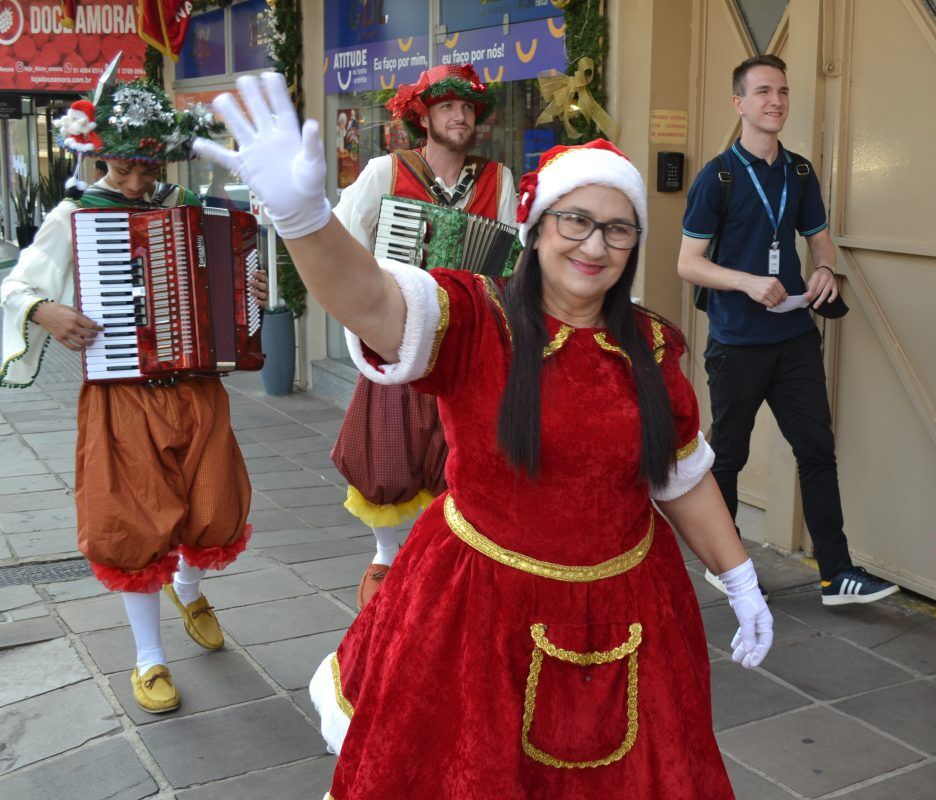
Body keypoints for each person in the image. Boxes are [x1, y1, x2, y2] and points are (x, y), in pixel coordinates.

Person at [194, 71, 774, 800]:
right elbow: (369, 298)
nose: (595, 244)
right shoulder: (476, 319)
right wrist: (305, 219)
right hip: (475, 614)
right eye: (576, 221)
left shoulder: (652, 346)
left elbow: (682, 480)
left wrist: (740, 578)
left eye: (618, 228)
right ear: (536, 228)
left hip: (633, 613)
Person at [0, 79, 267, 714]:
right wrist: (47, 311)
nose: (137, 181)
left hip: (198, 389)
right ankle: (149, 659)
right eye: (124, 165)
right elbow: (15, 287)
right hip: (123, 396)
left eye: (148, 166)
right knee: (132, 523)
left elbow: (241, 264)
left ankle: (190, 588)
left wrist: (247, 302)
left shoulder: (196, 207)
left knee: (213, 507)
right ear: (99, 157)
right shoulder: (76, 216)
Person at [677, 54, 898, 606]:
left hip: (794, 335)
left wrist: (824, 267)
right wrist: (747, 282)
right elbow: (688, 262)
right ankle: (722, 563)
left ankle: (837, 573)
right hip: (737, 343)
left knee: (817, 452)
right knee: (727, 457)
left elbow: (818, 238)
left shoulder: (798, 171)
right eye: (762, 92)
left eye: (782, 91)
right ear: (740, 104)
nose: (775, 101)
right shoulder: (718, 177)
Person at [330, 64, 517, 609]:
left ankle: (456, 563)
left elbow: (508, 261)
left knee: (465, 457)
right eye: (447, 107)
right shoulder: (384, 173)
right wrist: (369, 308)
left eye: (467, 108)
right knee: (388, 457)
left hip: (469, 348)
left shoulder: (497, 180)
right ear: (424, 115)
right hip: (399, 337)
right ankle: (385, 557)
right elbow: (340, 246)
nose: (460, 116)